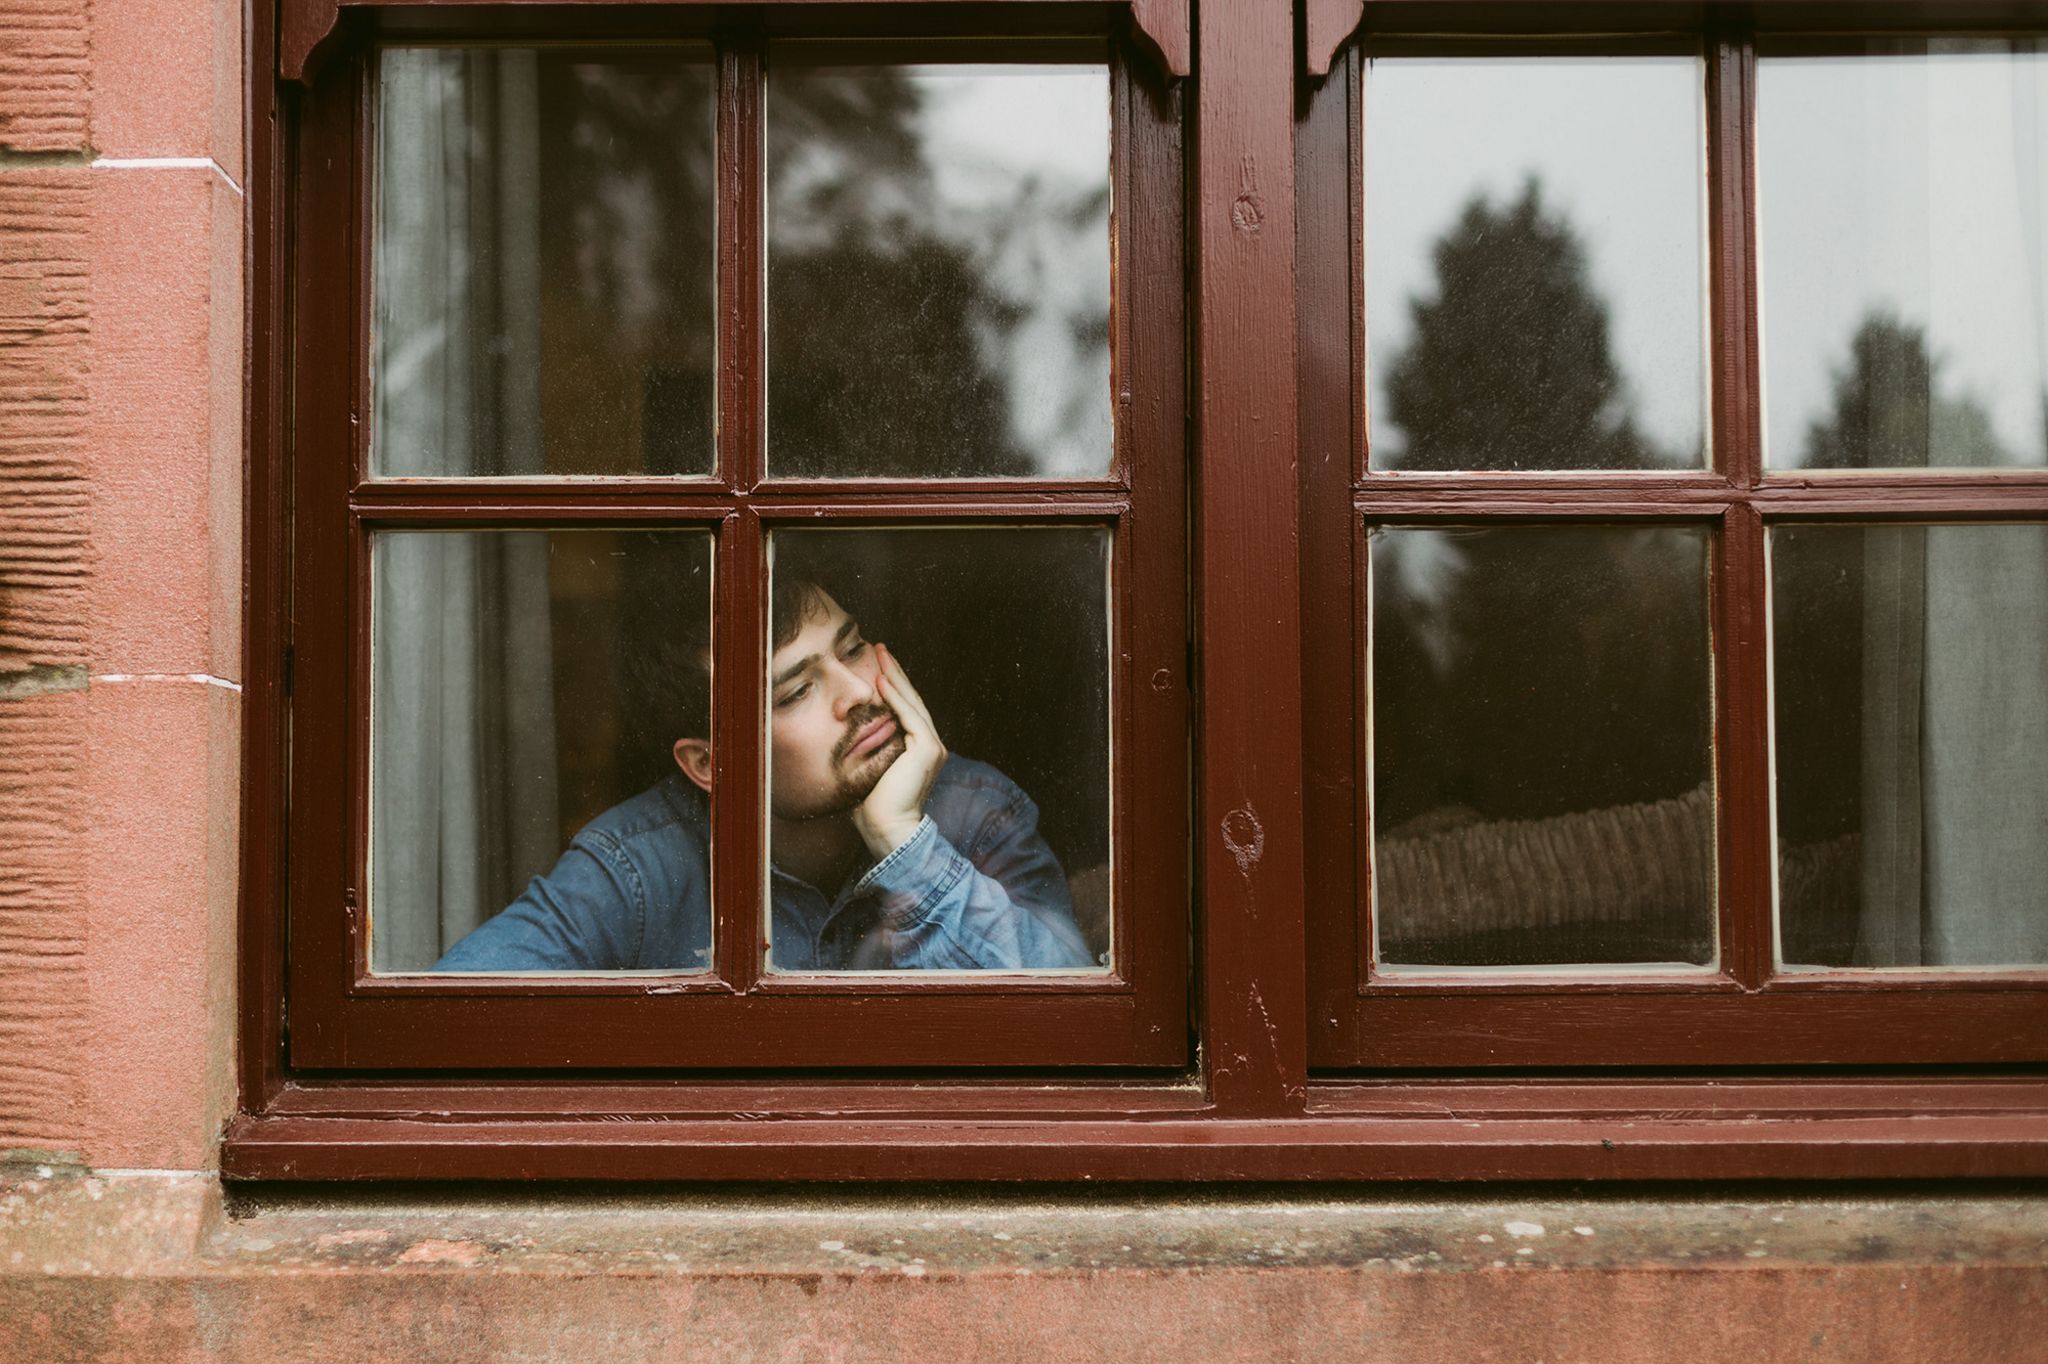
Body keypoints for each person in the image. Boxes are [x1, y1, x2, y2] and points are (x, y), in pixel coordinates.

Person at [433, 566, 1092, 972]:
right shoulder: (637, 870)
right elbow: (443, 1028)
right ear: (710, 763)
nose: (858, 694)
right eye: (796, 692)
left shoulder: (976, 811)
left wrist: (908, 846)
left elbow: (1073, 1022)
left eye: (854, 649)